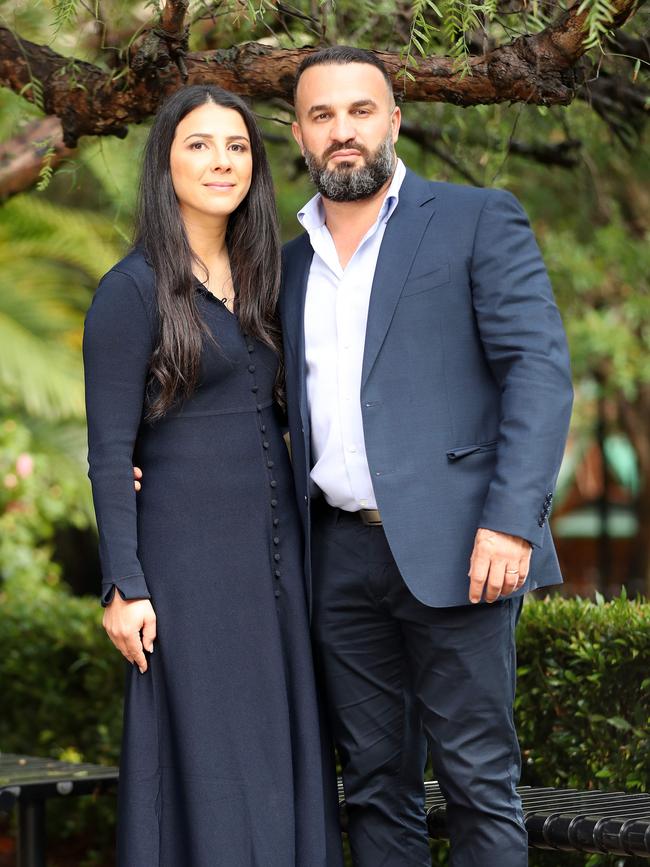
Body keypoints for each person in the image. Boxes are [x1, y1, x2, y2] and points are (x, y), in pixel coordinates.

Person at [279, 47, 574, 866]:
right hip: (334, 556)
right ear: (300, 135)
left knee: (479, 783)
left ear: (395, 120)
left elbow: (539, 375)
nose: (343, 132)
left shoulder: (477, 217)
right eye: (322, 116)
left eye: (360, 111)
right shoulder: (287, 261)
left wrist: (511, 523)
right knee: (373, 785)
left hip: (463, 548)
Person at [83, 85, 343, 867]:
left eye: (236, 145)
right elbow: (106, 449)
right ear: (165, 162)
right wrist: (122, 585)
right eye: (199, 144)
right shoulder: (130, 291)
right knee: (206, 755)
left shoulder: (272, 275)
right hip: (186, 560)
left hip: (276, 560)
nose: (221, 160)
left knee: (280, 745)